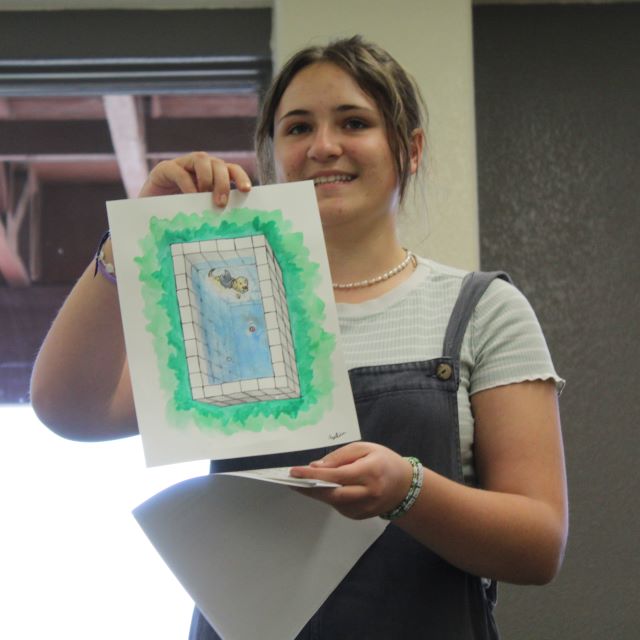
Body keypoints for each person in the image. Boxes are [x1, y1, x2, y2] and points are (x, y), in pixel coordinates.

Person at [31, 36, 568, 639]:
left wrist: (408, 489)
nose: (323, 146)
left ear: (409, 149)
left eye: (354, 122)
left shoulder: (482, 310)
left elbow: (539, 544)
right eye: (296, 128)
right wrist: (124, 242)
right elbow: (69, 409)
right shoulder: (229, 305)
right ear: (272, 156)